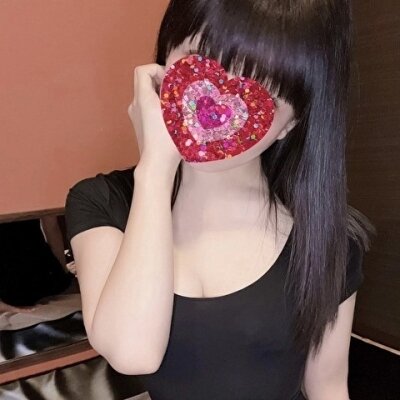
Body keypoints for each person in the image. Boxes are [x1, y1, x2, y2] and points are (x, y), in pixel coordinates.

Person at [64, 1, 375, 399]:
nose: (217, 107)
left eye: (262, 86)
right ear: (163, 61)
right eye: (199, 59)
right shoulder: (102, 203)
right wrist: (155, 171)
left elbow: (327, 386)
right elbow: (132, 353)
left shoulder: (330, 239)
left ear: (291, 123)